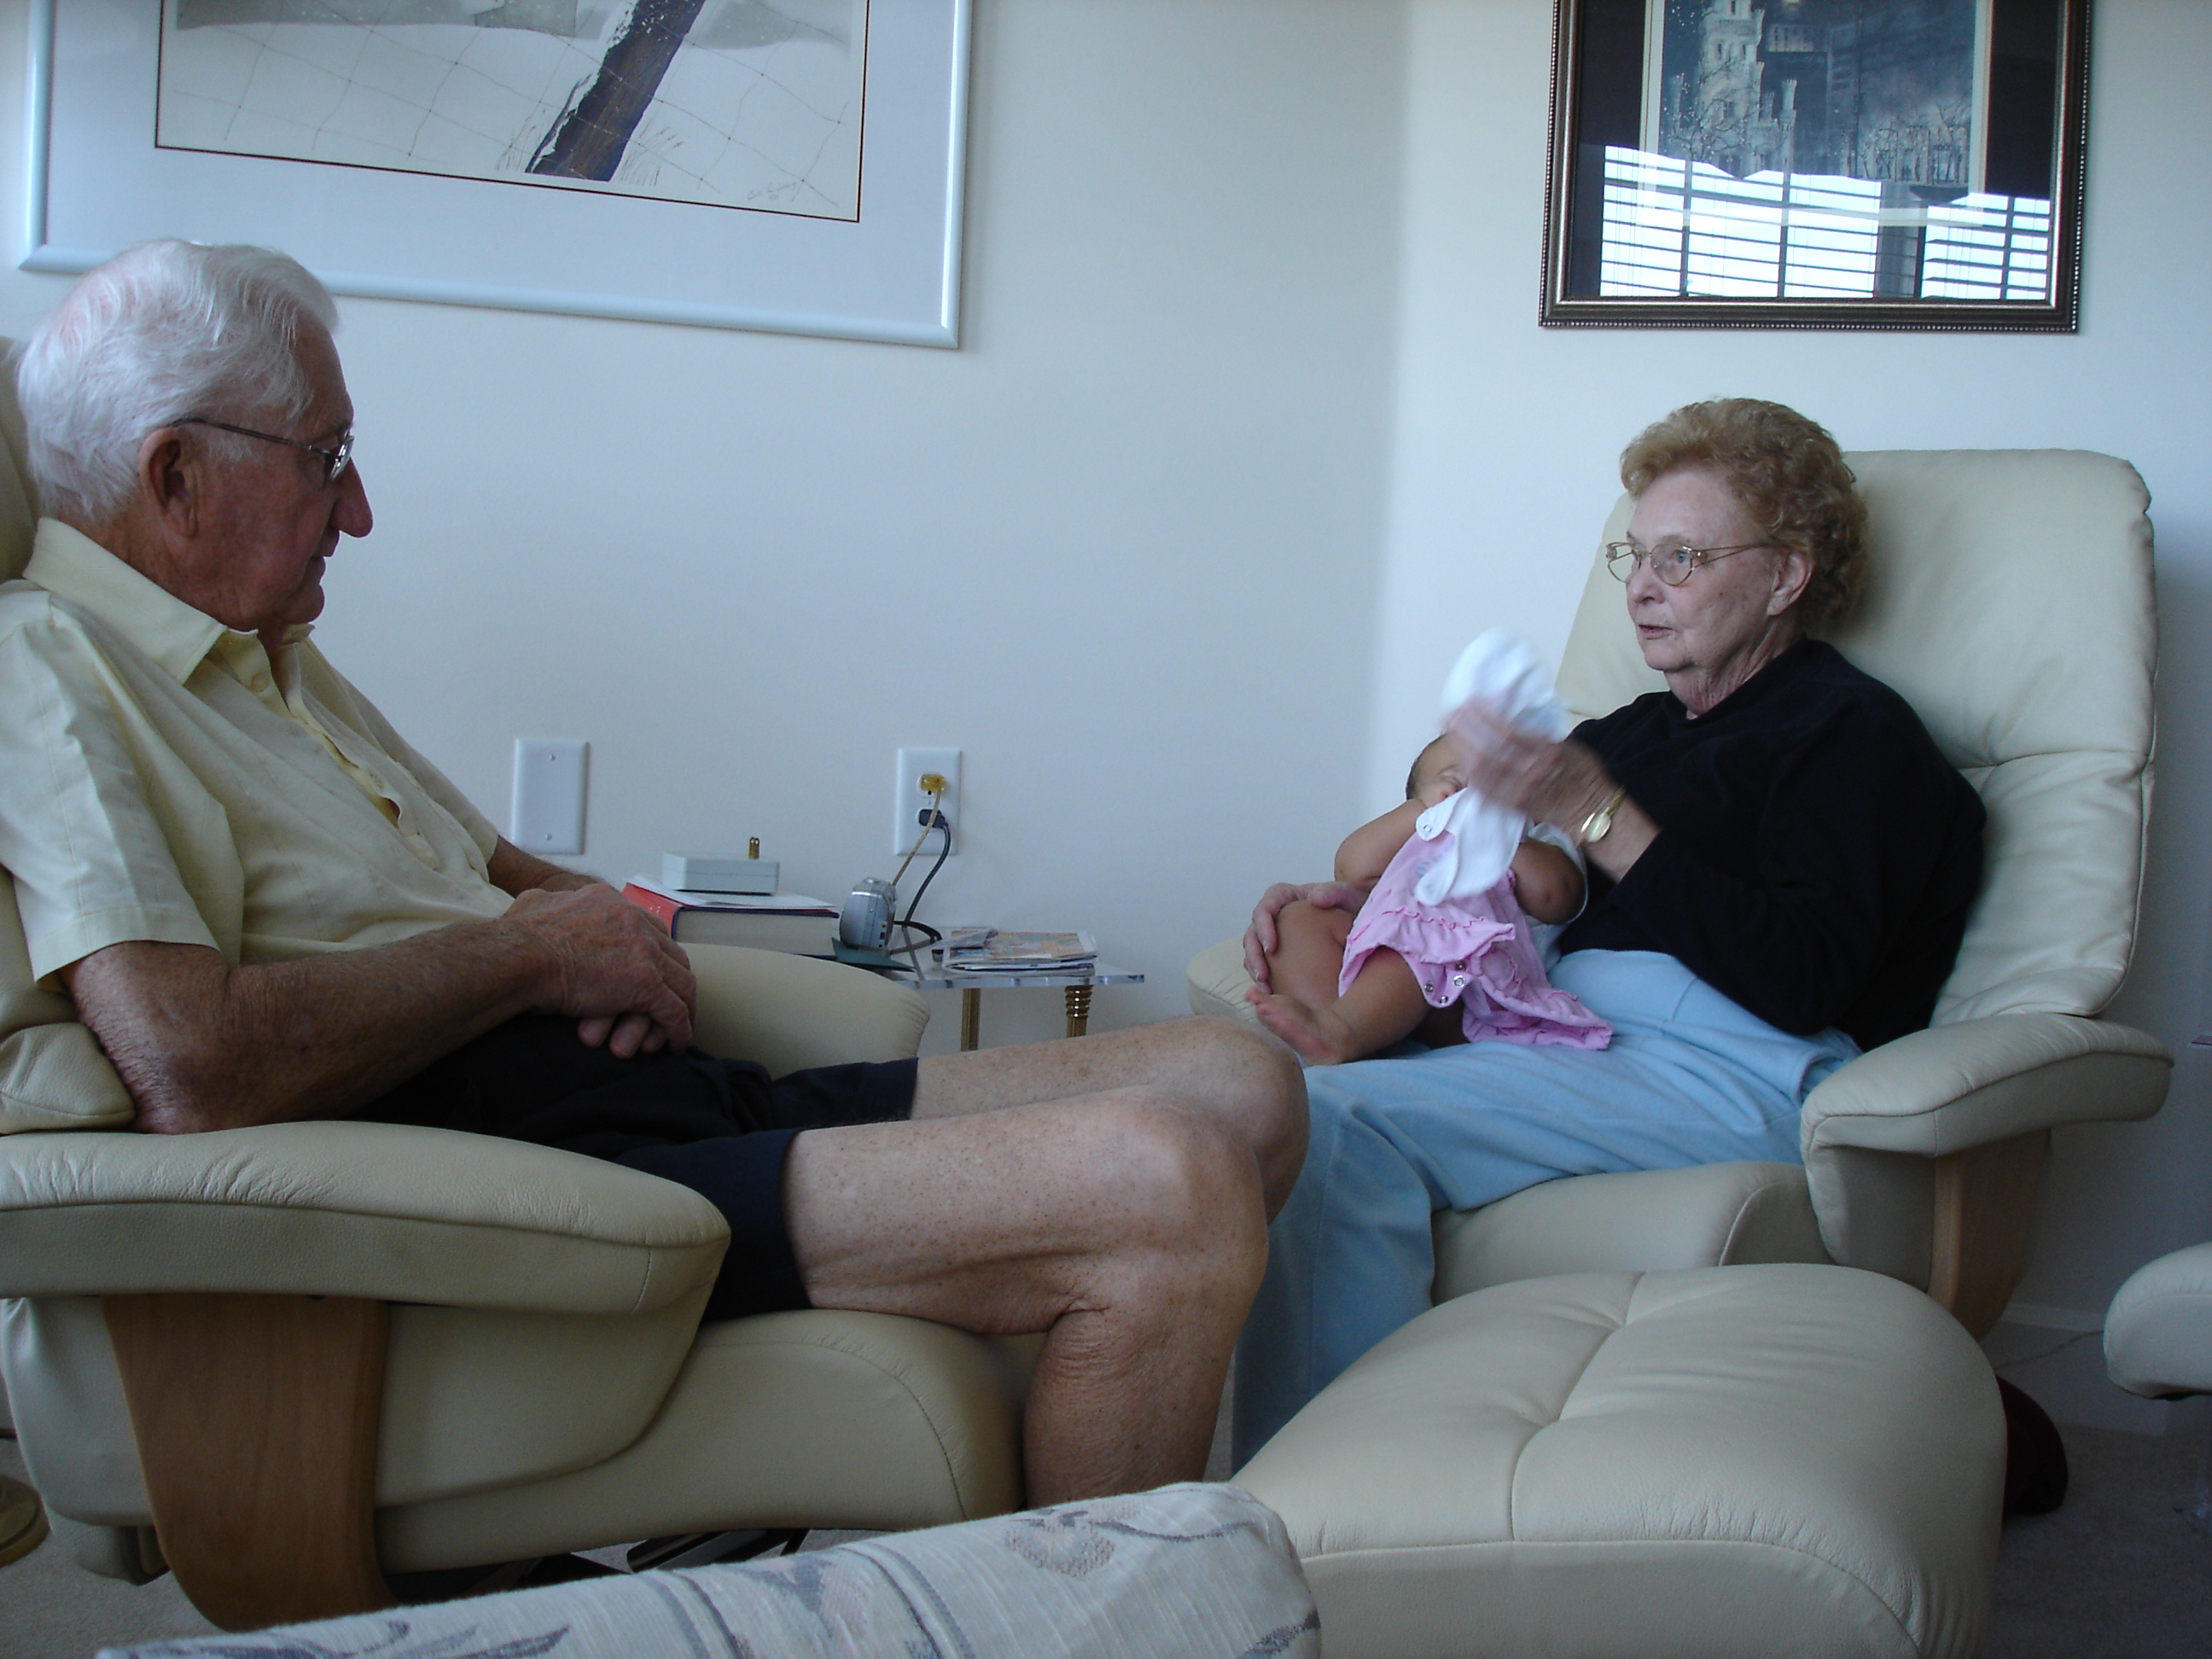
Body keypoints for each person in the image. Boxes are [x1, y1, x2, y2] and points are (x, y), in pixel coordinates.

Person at [0, 240, 1307, 1508]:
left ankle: (1035, 1465)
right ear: (175, 474)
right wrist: (532, 957)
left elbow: (512, 877)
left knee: (1242, 1082)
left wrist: (623, 944)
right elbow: (192, 1067)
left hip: (663, 1106)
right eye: (325, 458)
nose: (358, 510)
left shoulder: (268, 655)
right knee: (1170, 1183)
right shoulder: (48, 666)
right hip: (543, 1189)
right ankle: (1065, 1579)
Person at [1231, 397, 1985, 1461]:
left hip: (1733, 1063)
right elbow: (1505, 879)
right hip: (1568, 1031)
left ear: (1786, 575)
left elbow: (1805, 976)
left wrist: (1596, 812)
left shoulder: (1857, 736)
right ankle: (1364, 1470)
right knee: (1263, 1098)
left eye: (1682, 558)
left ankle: (1333, 1494)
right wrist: (1358, 903)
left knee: (1337, 1123)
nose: (1639, 586)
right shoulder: (1630, 732)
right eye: (1636, 555)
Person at [1245, 731, 1601, 1065]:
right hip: (1389, 969)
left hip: (1471, 995)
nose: (1473, 787)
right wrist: (1423, 814)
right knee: (1296, 921)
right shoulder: (1415, 840)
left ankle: (1340, 1031)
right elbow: (1351, 868)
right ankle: (1343, 1040)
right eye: (1453, 777)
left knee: (1420, 936)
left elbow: (1559, 898)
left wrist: (1502, 838)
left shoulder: (1536, 838)